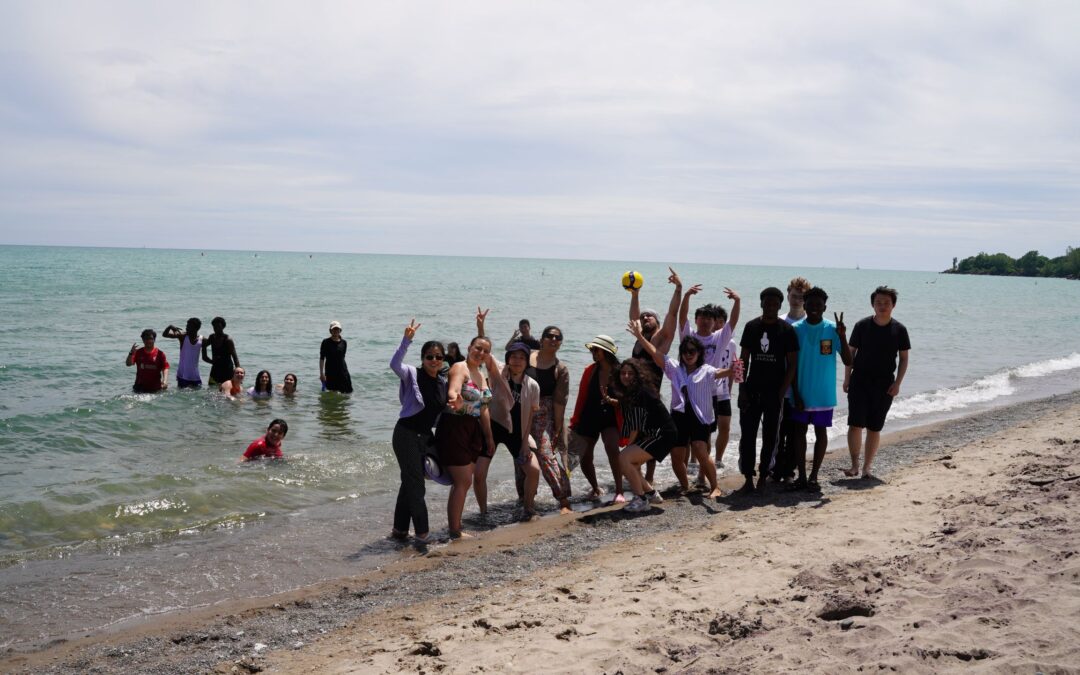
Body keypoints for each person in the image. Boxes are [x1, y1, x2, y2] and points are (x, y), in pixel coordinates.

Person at [631, 321, 731, 498]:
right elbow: (655, 353)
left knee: (700, 449)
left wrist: (733, 369)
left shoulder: (706, 370)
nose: (688, 354)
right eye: (685, 351)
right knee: (676, 455)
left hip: (700, 418)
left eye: (692, 351)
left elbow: (722, 372)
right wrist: (639, 336)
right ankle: (685, 486)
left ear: (699, 353)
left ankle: (715, 486)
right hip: (678, 416)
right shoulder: (674, 368)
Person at [389, 319, 448, 545]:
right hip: (405, 434)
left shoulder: (442, 382)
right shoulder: (412, 374)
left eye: (439, 357)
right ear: (423, 358)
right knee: (416, 483)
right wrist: (407, 340)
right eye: (430, 356)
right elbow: (395, 364)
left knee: (409, 481)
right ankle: (423, 534)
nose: (434, 360)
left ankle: (400, 529)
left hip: (424, 436)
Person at [436, 334, 499, 539]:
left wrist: (489, 437)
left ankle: (456, 526)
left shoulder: (481, 375)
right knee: (463, 481)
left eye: (485, 351)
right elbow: (453, 392)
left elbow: (484, 410)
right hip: (454, 427)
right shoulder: (459, 368)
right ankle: (455, 531)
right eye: (477, 348)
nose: (481, 353)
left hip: (473, 430)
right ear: (469, 347)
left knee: (465, 481)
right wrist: (457, 401)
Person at [843, 286, 910, 480]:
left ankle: (867, 468)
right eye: (878, 302)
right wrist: (847, 379)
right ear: (873, 304)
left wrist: (898, 383)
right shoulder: (861, 326)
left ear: (893, 305)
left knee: (875, 427)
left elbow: (904, 358)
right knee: (855, 424)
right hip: (860, 381)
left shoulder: (899, 330)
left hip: (885, 384)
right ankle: (854, 465)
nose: (882, 306)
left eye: (886, 303)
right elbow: (850, 353)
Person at [737, 288, 799, 494]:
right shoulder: (752, 327)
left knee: (771, 437)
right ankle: (748, 477)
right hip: (752, 391)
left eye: (775, 304)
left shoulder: (787, 330)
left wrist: (782, 393)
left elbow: (792, 364)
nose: (771, 306)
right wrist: (741, 389)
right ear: (761, 303)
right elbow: (742, 360)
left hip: (775, 393)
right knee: (747, 436)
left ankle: (764, 475)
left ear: (780, 305)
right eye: (767, 303)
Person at [678, 283, 741, 487]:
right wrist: (686, 296)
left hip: (709, 394)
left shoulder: (719, 339)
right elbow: (681, 319)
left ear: (714, 322)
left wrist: (737, 301)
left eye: (709, 318)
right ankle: (684, 477)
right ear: (696, 320)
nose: (705, 321)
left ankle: (702, 476)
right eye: (701, 317)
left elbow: (733, 322)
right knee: (685, 438)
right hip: (687, 394)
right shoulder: (689, 338)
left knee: (704, 438)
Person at [790, 287, 851, 489]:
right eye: (811, 304)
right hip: (800, 393)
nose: (815, 307)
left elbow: (849, 360)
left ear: (825, 306)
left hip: (823, 395)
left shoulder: (833, 329)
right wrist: (794, 392)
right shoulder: (796, 329)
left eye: (819, 304)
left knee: (820, 433)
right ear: (804, 305)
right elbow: (789, 364)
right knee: (798, 434)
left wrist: (842, 336)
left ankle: (814, 475)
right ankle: (801, 476)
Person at [608, 358, 678, 513]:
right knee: (631, 463)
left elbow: (636, 426)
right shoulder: (633, 392)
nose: (626, 376)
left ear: (637, 375)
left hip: (662, 434)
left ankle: (641, 500)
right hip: (660, 433)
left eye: (630, 374)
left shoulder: (639, 393)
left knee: (624, 459)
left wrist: (628, 447)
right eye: (623, 373)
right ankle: (651, 494)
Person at [489, 342, 543, 519]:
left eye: (522, 357)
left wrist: (525, 443)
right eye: (513, 356)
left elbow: (530, 417)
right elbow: (486, 354)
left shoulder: (533, 385)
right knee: (479, 472)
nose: (517, 361)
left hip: (518, 434)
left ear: (527, 361)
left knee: (534, 470)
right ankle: (482, 513)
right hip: (494, 429)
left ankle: (528, 507)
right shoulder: (499, 374)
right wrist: (481, 327)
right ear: (508, 359)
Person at [568, 335, 624, 502]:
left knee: (612, 448)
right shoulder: (590, 371)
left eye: (596, 349)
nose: (593, 352)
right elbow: (582, 397)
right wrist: (575, 420)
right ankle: (595, 488)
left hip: (611, 416)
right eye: (592, 349)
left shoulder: (620, 371)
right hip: (590, 415)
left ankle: (619, 491)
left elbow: (629, 397)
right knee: (584, 457)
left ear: (606, 351)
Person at [527, 326, 573, 513]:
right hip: (521, 411)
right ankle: (526, 500)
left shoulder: (560, 368)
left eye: (557, 337)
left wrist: (557, 428)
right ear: (542, 338)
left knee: (545, 455)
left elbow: (560, 401)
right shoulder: (526, 355)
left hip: (544, 415)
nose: (553, 339)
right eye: (549, 336)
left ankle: (563, 500)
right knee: (521, 456)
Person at [774, 276, 812, 483]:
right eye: (794, 295)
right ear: (787, 295)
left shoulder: (809, 323)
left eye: (801, 297)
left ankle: (789, 471)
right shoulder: (779, 320)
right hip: (780, 384)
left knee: (797, 431)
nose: (797, 300)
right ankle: (775, 469)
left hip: (803, 385)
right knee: (777, 431)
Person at [163, 318, 203, 388]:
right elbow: (165, 334)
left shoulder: (202, 339)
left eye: (189, 326)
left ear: (196, 328)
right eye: (187, 325)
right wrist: (170, 326)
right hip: (182, 375)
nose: (186, 327)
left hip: (195, 376)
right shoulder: (183, 336)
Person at [202, 317, 240, 387]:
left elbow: (235, 358)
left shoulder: (228, 340)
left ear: (223, 327)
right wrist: (209, 360)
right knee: (211, 388)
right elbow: (203, 346)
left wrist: (238, 374)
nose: (216, 328)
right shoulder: (212, 337)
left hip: (227, 370)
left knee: (227, 390)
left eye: (218, 326)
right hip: (215, 369)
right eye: (214, 326)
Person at [320, 320, 353, 393]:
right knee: (332, 393)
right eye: (334, 329)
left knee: (346, 393)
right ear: (330, 330)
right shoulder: (326, 342)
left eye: (337, 329)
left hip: (343, 371)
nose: (335, 331)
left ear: (340, 330)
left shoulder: (344, 342)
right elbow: (322, 358)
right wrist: (322, 374)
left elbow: (342, 357)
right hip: (330, 372)